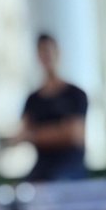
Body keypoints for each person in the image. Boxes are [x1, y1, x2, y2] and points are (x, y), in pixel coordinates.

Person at [13, 33, 89, 181]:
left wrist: (34, 134)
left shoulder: (76, 94)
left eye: (49, 51)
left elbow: (74, 135)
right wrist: (58, 130)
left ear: (58, 52)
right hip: (42, 168)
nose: (47, 56)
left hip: (70, 168)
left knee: (57, 182)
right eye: (42, 52)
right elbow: (20, 135)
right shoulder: (32, 100)